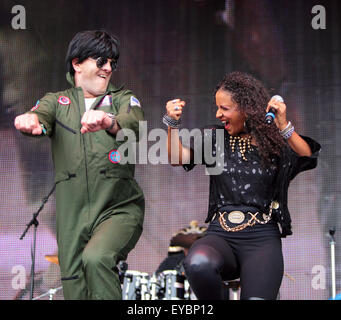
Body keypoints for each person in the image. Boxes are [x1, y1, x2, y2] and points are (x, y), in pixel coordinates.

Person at [163, 71, 320, 300]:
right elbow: (178, 158)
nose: (218, 114)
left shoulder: (273, 142)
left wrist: (284, 125)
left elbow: (305, 155)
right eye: (217, 107)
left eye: (224, 109)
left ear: (246, 109)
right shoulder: (215, 138)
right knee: (197, 263)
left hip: (261, 239)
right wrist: (172, 125)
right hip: (220, 235)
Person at [14, 30, 145, 300]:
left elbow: (134, 125)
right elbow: (38, 115)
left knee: (97, 259)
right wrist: (27, 120)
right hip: (72, 216)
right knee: (75, 285)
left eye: (112, 63)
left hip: (117, 209)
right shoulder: (57, 101)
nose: (108, 68)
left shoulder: (123, 98)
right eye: (101, 61)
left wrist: (107, 121)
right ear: (77, 63)